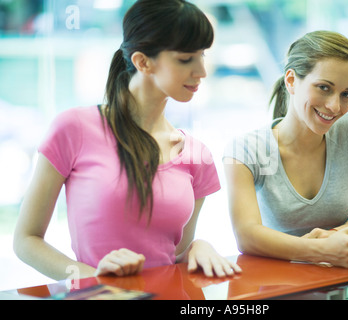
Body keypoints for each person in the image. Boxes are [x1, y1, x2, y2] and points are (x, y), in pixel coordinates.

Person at [14, 0, 241, 280]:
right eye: (185, 59)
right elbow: (26, 240)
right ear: (143, 61)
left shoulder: (197, 155)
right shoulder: (73, 129)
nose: (201, 72)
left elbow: (173, 256)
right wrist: (92, 278)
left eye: (202, 55)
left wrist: (199, 247)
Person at [223, 31, 348, 268]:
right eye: (324, 88)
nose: (335, 106)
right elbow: (246, 236)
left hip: (336, 282)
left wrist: (334, 235)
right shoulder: (245, 150)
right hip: (275, 287)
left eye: (346, 94)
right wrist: (321, 249)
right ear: (291, 81)